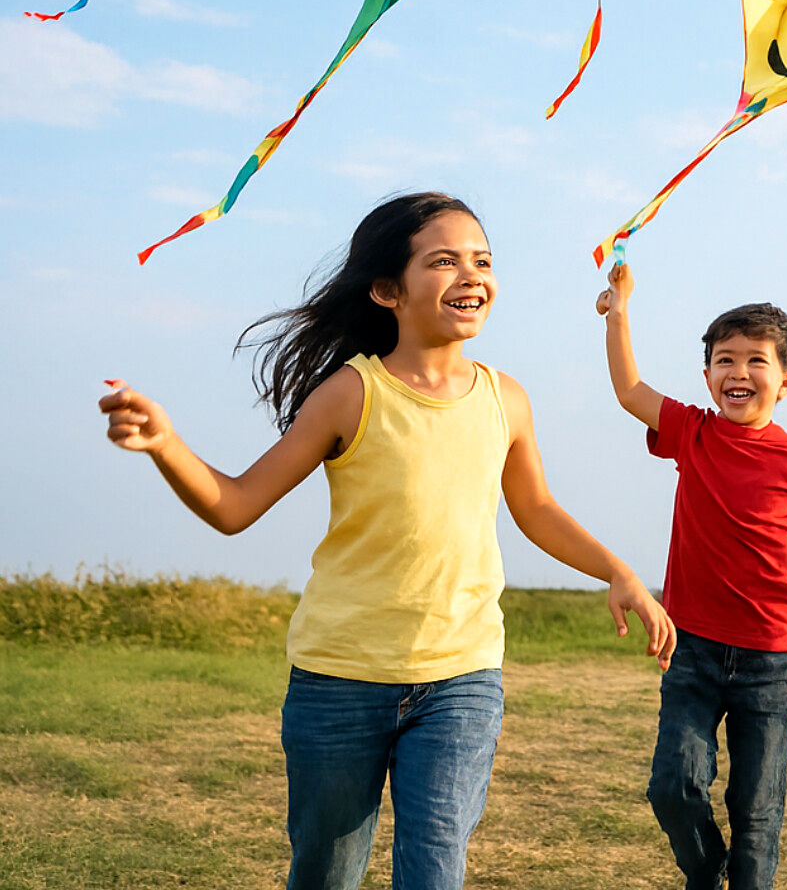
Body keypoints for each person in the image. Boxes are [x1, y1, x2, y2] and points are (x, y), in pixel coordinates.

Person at [97, 192, 673, 890]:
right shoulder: (349, 393)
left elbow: (536, 508)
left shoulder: (506, 398)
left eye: (482, 260)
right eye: (444, 261)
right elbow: (236, 505)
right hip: (340, 678)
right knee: (325, 872)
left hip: (461, 677)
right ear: (386, 291)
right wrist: (166, 444)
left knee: (434, 871)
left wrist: (616, 570)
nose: (471, 274)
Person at [598, 262, 787, 890]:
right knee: (672, 786)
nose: (738, 372)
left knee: (757, 811)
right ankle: (706, 869)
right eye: (724, 360)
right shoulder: (691, 432)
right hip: (691, 647)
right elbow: (629, 389)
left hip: (770, 658)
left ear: (786, 381)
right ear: (708, 375)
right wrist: (620, 310)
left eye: (755, 361)